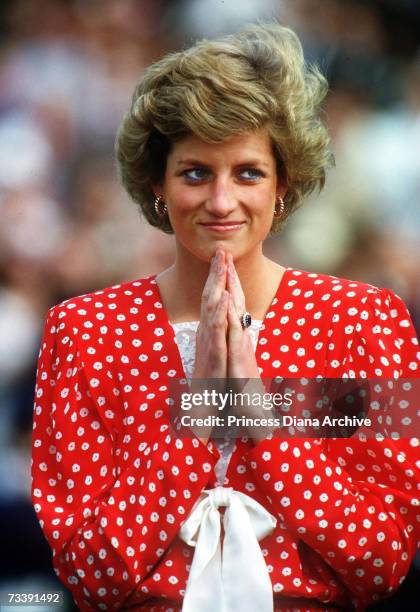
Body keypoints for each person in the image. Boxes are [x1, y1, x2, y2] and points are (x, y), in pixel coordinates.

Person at [31, 23, 419, 612]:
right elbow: (89, 572)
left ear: (283, 184)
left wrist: (259, 418)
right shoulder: (85, 331)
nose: (220, 201)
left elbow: (384, 558)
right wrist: (200, 411)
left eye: (247, 172)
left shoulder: (364, 321)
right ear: (157, 184)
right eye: (194, 173)